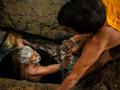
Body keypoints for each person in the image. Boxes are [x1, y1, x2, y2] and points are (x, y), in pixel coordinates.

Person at [57, 0, 120, 90]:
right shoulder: (93, 5)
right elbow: (89, 26)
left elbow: (74, 77)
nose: (66, 31)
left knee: (101, 60)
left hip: (114, 31)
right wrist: (73, 40)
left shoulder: (99, 40)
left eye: (68, 29)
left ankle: (83, 77)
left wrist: (70, 77)